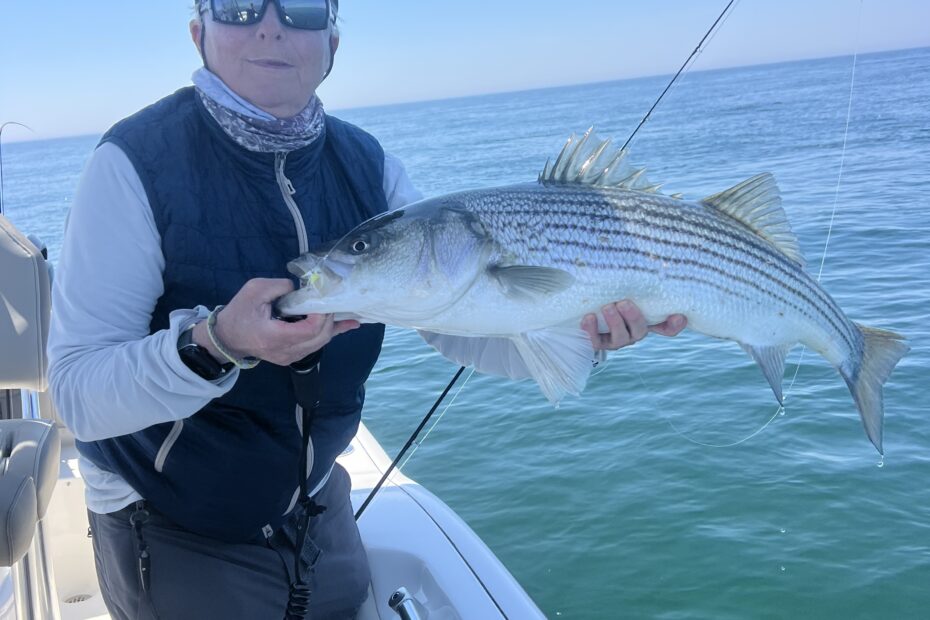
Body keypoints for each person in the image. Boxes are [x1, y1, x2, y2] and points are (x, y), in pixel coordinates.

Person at [48, 1, 687, 618]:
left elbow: (462, 330)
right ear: (198, 34)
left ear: (331, 44)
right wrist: (214, 344)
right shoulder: (133, 164)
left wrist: (582, 336)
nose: (270, 27)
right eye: (240, 7)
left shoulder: (369, 167)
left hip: (315, 501)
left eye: (300, 9)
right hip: (172, 517)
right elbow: (76, 395)